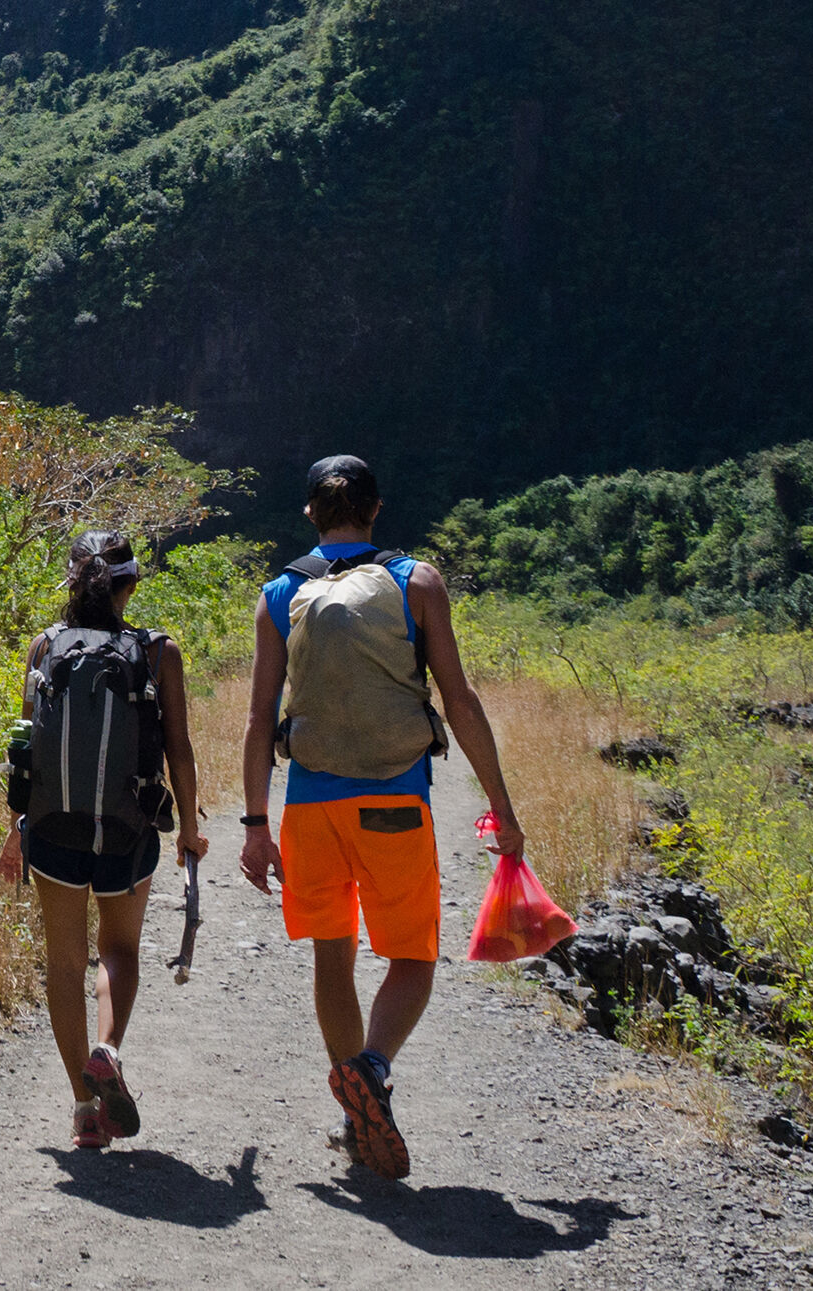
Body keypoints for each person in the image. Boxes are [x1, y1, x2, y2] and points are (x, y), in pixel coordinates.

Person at [237, 455, 525, 1181]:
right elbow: (458, 697)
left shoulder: (281, 591)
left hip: (309, 805)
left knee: (332, 955)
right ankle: (370, 1067)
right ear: (376, 508)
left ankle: (352, 1109)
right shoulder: (416, 581)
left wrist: (253, 824)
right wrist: (501, 804)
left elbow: (257, 717)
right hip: (394, 799)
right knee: (412, 957)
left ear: (311, 513)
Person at [0, 530, 206, 1150]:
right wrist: (190, 826)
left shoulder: (45, 646)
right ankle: (106, 1047)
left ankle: (86, 1111)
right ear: (131, 585)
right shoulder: (158, 651)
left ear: (71, 582)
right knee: (118, 950)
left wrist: (16, 829)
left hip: (54, 825)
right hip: (127, 828)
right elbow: (180, 749)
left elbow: (26, 746)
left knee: (63, 963)